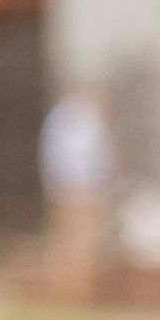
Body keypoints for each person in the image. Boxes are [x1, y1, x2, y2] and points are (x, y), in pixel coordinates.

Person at [37, 83, 113, 305]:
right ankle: (70, 291)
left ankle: (75, 290)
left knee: (76, 240)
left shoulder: (66, 118)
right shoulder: (77, 118)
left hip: (75, 188)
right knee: (74, 240)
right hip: (76, 188)